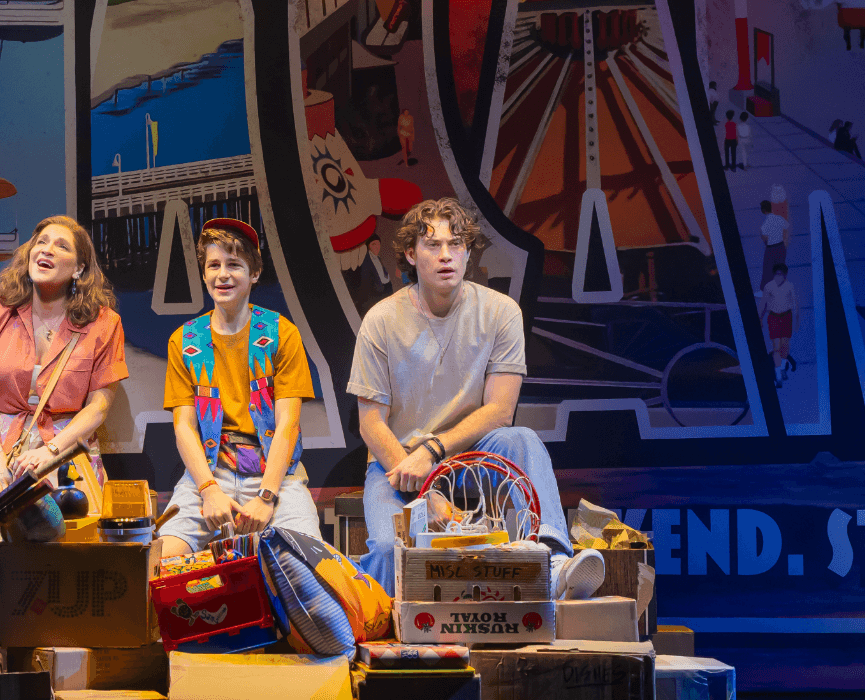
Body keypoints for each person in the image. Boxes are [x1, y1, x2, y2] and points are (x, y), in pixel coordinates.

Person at [348, 197, 604, 599]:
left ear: (468, 251)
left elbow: (500, 411)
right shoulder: (381, 320)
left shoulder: (501, 311)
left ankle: (553, 562)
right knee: (385, 549)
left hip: (472, 449)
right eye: (432, 246)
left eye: (456, 244)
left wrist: (434, 450)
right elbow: (370, 423)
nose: (446, 255)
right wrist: (425, 485)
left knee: (521, 439)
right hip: (397, 461)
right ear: (411, 255)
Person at [157, 219, 322, 556]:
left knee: (310, 560)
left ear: (254, 273)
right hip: (210, 470)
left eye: (234, 265)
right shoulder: (185, 340)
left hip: (275, 475)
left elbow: (288, 424)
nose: (223, 274)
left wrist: (266, 496)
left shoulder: (281, 333)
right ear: (204, 274)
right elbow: (184, 427)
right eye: (214, 265)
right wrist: (208, 490)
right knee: (161, 559)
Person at [0, 215, 128, 512]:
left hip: (67, 451)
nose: (47, 250)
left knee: (68, 550)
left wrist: (52, 450)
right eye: (41, 242)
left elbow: (99, 406)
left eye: (61, 246)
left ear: (79, 269)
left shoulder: (104, 323)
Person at [760, 263, 798, 387]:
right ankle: (778, 372)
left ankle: (781, 368)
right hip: (774, 317)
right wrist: (760, 317)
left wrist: (796, 319)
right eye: (777, 274)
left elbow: (794, 303)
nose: (779, 277)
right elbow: (763, 303)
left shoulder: (789, 286)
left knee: (785, 346)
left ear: (785, 275)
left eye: (781, 275)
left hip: (786, 316)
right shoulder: (769, 287)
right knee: (777, 346)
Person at [759, 200, 790, 292]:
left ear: (763, 211)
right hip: (780, 247)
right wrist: (784, 241)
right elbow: (787, 228)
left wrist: (766, 242)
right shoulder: (779, 218)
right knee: (780, 268)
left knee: (767, 270)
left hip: (771, 249)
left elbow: (764, 237)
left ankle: (765, 290)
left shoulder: (765, 224)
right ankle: (781, 288)